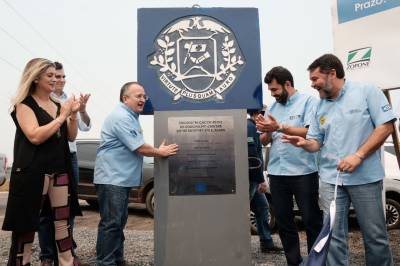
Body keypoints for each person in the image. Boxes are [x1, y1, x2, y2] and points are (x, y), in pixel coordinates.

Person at [282, 53, 394, 266]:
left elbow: (385, 126)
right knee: (332, 236)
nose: (312, 84)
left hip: (365, 179)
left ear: (332, 73)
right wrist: (304, 143)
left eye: (315, 79)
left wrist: (358, 155)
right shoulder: (318, 106)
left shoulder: (366, 91)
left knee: (375, 237)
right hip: (331, 181)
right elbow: (316, 141)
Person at [2, 58, 82, 266]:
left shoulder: (57, 105)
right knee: (27, 224)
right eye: (50, 76)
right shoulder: (24, 105)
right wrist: (61, 116)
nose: (55, 79)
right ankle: (22, 262)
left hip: (59, 170)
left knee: (62, 222)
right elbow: (35, 136)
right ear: (36, 78)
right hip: (32, 173)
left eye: (57, 75)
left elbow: (71, 137)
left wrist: (72, 115)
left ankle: (66, 261)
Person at [94, 82, 179, 266]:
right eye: (138, 96)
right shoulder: (121, 117)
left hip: (120, 179)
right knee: (111, 224)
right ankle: (105, 262)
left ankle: (116, 259)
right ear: (125, 98)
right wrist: (160, 152)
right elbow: (140, 147)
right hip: (112, 179)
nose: (142, 100)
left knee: (118, 222)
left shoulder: (131, 117)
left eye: (144, 96)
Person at [255, 66, 322, 266]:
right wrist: (265, 131)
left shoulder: (309, 101)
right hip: (277, 173)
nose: (273, 95)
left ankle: (316, 262)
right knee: (284, 223)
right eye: (270, 91)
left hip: (304, 172)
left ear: (287, 84)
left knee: (311, 221)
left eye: (275, 90)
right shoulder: (272, 108)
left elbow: (310, 132)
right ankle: (294, 262)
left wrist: (279, 126)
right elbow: (265, 140)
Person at [38, 61, 91, 266]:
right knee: (45, 212)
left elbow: (85, 127)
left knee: (67, 208)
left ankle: (67, 252)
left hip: (70, 158)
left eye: (61, 76)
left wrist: (81, 110)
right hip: (48, 157)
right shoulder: (42, 100)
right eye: (53, 76)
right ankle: (47, 256)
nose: (58, 80)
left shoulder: (70, 100)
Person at [247, 110, 281, 253]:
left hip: (254, 177)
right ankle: (234, 246)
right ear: (258, 115)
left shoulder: (253, 128)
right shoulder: (249, 127)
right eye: (266, 115)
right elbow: (252, 157)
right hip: (251, 179)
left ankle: (266, 243)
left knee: (262, 208)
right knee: (241, 211)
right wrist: (261, 180)